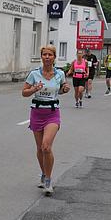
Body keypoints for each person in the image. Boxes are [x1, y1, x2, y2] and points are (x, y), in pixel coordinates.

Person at [22, 45, 70, 196]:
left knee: (46, 146)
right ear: (41, 57)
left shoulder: (60, 74)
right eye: (44, 54)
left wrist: (65, 89)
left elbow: (61, 89)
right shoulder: (34, 74)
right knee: (39, 148)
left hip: (52, 113)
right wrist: (34, 89)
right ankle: (43, 173)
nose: (47, 57)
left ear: (54, 57)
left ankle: (48, 179)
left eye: (50, 54)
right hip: (37, 112)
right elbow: (24, 92)